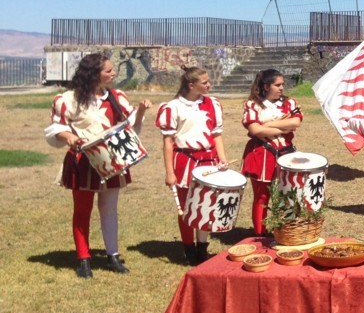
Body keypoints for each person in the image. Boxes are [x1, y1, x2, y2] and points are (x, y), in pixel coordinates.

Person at [44, 53, 151, 278]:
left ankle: (113, 255)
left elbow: (129, 128)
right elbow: (55, 129)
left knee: (109, 210)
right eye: (108, 70)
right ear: (94, 74)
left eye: (113, 70)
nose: (114, 73)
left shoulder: (116, 96)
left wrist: (141, 111)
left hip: (112, 160)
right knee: (82, 211)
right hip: (83, 161)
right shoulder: (68, 100)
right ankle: (83, 259)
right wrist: (69, 138)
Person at [155, 67, 229, 265]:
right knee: (187, 207)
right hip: (185, 161)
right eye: (204, 82)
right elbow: (168, 142)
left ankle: (202, 250)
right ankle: (188, 249)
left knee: (206, 204)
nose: (208, 85)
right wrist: (170, 172)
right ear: (191, 85)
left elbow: (216, 135)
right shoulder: (173, 107)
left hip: (209, 160)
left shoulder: (213, 104)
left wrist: (222, 159)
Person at [241, 69, 302, 235]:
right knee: (262, 196)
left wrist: (267, 125)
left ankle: (287, 231)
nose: (282, 88)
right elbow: (254, 130)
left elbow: (295, 123)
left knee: (288, 194)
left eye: (282, 84)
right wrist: (282, 126)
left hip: (286, 152)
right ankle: (260, 234)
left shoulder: (289, 103)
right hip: (262, 152)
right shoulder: (252, 104)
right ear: (266, 86)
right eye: (277, 85)